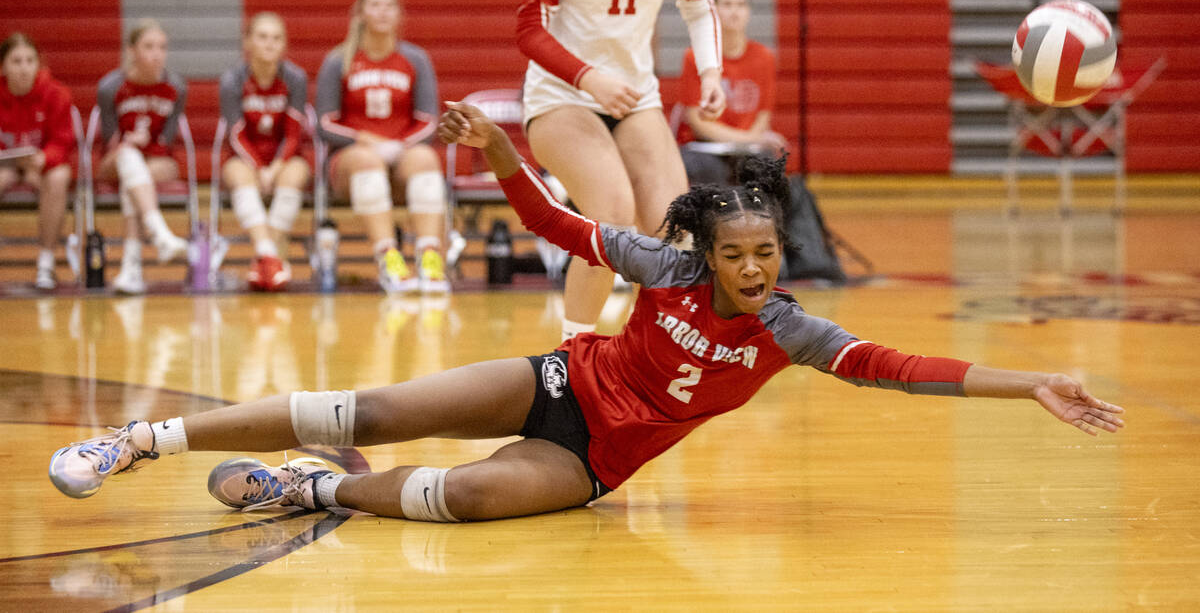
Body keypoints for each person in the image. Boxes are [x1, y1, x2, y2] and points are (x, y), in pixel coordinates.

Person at [47, 101, 1125, 522]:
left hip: (599, 458)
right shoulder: (662, 266)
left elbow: (900, 365)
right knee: (365, 401)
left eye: (767, 254)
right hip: (560, 382)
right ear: (706, 248)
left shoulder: (793, 329)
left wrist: (1031, 381)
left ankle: (309, 491)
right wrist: (506, 155)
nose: (754, 269)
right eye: (737, 254)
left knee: (461, 499)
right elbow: (557, 227)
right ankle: (137, 439)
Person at [518, 0, 726, 341]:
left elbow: (698, 7)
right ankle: (571, 360)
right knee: (610, 221)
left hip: (633, 100)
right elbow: (529, 30)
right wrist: (589, 77)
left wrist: (711, 74)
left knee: (676, 228)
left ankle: (658, 352)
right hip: (560, 99)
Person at [316, 0, 449, 294]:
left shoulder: (415, 59)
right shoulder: (339, 60)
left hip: (400, 154)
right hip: (352, 159)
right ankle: (389, 260)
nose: (382, 12)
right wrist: (365, 140)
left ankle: (430, 259)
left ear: (400, 14)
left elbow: (430, 121)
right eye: (375, 5)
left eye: (389, 5)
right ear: (361, 13)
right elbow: (324, 123)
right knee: (367, 161)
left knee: (425, 158)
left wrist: (402, 146)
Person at [95, 19, 189, 295]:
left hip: (158, 160)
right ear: (131, 50)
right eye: (148, 46)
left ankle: (131, 267)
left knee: (133, 178)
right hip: (116, 158)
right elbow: (108, 141)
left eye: (162, 47)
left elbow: (168, 141)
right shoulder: (111, 87)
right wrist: (128, 142)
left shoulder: (176, 88)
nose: (157, 54)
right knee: (127, 158)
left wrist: (146, 145)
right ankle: (160, 234)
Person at [219, 12, 311, 291]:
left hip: (284, 156)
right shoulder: (232, 80)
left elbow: (294, 131)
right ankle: (271, 255)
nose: (269, 44)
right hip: (245, 156)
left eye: (276, 38)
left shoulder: (295, 78)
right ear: (247, 42)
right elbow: (235, 134)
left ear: (284, 45)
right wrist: (259, 167)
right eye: (262, 37)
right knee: (237, 174)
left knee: (295, 175)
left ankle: (263, 261)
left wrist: (276, 166)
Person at [677, 0, 788, 186]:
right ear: (715, 10)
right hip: (704, 147)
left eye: (741, 4)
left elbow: (763, 117)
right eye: (727, 4)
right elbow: (697, 122)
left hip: (748, 148)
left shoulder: (764, 57)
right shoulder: (694, 57)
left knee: (765, 167)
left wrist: (750, 141)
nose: (734, 11)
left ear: (749, 12)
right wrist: (748, 139)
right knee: (707, 170)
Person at [0, 33, 76, 289]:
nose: (23, 68)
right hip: (6, 165)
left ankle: (46, 260)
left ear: (38, 64)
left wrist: (44, 158)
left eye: (29, 60)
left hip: (40, 164)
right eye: (16, 61)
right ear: (4, 66)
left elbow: (63, 140)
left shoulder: (56, 94)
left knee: (59, 177)